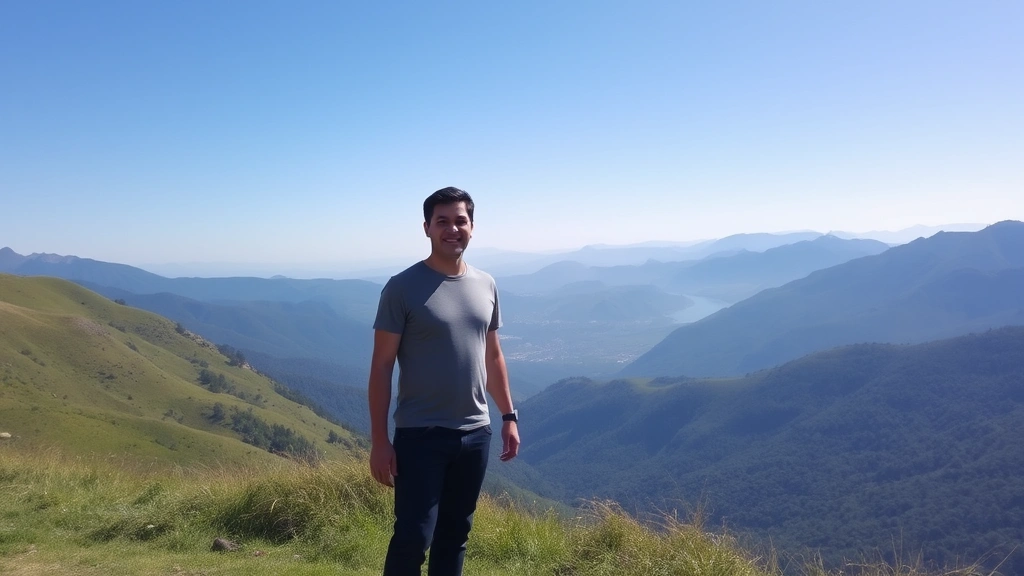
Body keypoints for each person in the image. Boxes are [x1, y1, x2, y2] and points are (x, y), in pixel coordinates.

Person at [368, 186, 520, 576]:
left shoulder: (486, 284)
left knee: (455, 535)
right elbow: (382, 366)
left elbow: (493, 355)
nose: (452, 229)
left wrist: (508, 416)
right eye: (443, 222)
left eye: (460, 221)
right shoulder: (401, 287)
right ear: (427, 228)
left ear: (472, 227)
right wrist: (380, 441)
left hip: (475, 434)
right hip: (421, 434)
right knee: (413, 537)